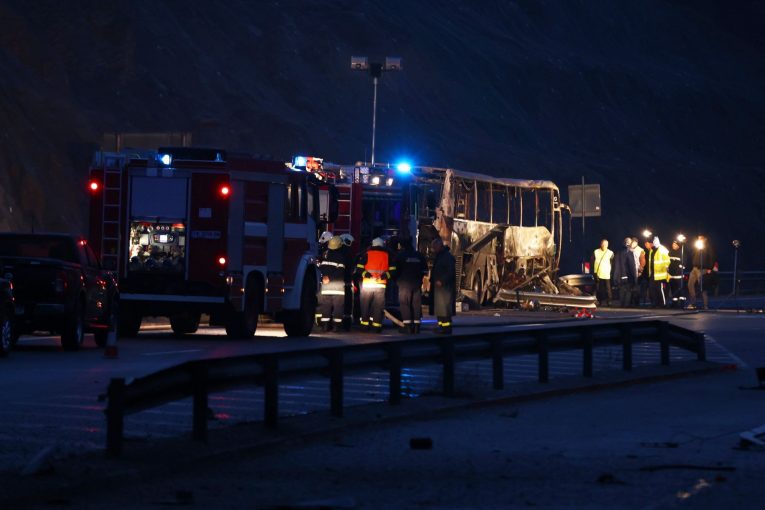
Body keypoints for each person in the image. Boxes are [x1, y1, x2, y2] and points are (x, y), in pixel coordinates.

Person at [392, 238, 428, 334]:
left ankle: (407, 327)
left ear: (402, 246)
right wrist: (419, 279)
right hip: (416, 284)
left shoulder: (400, 256)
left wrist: (395, 280)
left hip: (404, 284)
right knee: (416, 305)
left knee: (405, 305)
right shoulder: (419, 255)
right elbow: (425, 271)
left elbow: (394, 271)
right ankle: (416, 327)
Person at [356, 237, 391, 333]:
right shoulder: (387, 255)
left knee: (365, 305)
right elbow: (393, 270)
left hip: (367, 284)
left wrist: (365, 274)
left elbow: (359, 268)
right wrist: (385, 276)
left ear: (373, 244)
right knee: (378, 306)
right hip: (380, 285)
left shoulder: (366, 254)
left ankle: (364, 326)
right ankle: (376, 327)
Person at [317, 236, 347, 332]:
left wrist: (324, 277)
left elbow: (320, 268)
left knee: (325, 306)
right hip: (338, 286)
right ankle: (336, 327)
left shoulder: (325, 254)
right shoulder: (341, 256)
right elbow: (341, 271)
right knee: (338, 307)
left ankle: (325, 326)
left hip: (326, 285)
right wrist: (330, 278)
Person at [429, 237, 456, 334]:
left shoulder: (446, 257)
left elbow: (450, 272)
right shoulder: (440, 256)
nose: (433, 250)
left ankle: (446, 328)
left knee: (444, 310)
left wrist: (442, 281)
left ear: (439, 246)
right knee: (440, 309)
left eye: (434, 247)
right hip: (439, 288)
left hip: (445, 288)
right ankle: (441, 327)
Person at [688, 236, 716, 310]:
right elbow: (692, 255)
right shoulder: (697, 247)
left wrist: (710, 268)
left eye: (701, 238)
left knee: (702, 287)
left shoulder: (708, 247)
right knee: (690, 285)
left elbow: (712, 257)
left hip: (702, 269)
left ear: (705, 239)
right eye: (698, 238)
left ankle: (705, 305)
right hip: (694, 268)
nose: (699, 239)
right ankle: (693, 303)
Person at [612, 237, 637, 307]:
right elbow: (632, 266)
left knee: (622, 290)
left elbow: (616, 266)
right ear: (630, 243)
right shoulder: (630, 252)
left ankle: (622, 304)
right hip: (628, 276)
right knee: (628, 291)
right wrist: (635, 278)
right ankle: (626, 305)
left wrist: (615, 277)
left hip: (620, 276)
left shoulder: (618, 253)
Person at [647, 237, 670, 307]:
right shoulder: (652, 250)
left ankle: (663, 303)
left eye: (654, 241)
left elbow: (667, 261)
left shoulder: (663, 249)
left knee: (660, 289)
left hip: (660, 273)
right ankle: (655, 302)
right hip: (653, 273)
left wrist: (665, 269)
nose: (653, 243)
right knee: (652, 288)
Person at [339, 233, 355, 331]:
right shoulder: (347, 253)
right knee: (347, 304)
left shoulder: (335, 252)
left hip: (338, 282)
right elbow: (350, 267)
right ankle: (346, 324)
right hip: (346, 282)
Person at [591, 239, 614, 306]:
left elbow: (612, 263)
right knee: (598, 289)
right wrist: (593, 272)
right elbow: (592, 262)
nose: (604, 246)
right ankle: (599, 301)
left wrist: (611, 272)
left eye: (605, 244)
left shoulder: (610, 253)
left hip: (606, 273)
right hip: (597, 273)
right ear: (600, 244)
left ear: (607, 245)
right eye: (603, 244)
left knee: (608, 289)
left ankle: (609, 301)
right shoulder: (595, 251)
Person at [668, 240, 684, 308]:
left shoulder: (681, 253)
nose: (673, 245)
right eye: (673, 244)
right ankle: (674, 303)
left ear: (678, 245)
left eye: (675, 244)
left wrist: (680, 269)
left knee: (679, 289)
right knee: (673, 289)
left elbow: (684, 263)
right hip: (671, 275)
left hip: (678, 275)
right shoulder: (670, 252)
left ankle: (681, 303)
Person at [629, 237, 646, 306]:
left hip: (637, 271)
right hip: (630, 271)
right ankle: (631, 301)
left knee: (636, 287)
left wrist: (640, 270)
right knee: (630, 287)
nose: (632, 244)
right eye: (631, 242)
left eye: (633, 242)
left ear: (636, 243)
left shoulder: (640, 250)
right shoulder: (629, 249)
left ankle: (636, 302)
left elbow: (643, 261)